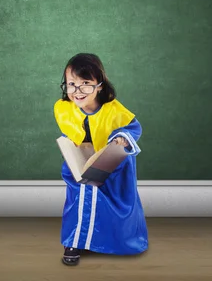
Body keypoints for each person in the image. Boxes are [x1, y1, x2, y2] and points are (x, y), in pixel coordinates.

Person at [54, 53, 148, 266]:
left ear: (100, 86)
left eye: (85, 84)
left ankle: (113, 241)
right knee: (78, 201)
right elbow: (72, 132)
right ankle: (75, 241)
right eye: (71, 84)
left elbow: (134, 127)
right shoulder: (63, 108)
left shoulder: (113, 109)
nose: (77, 91)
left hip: (111, 167)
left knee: (110, 205)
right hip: (79, 165)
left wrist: (121, 138)